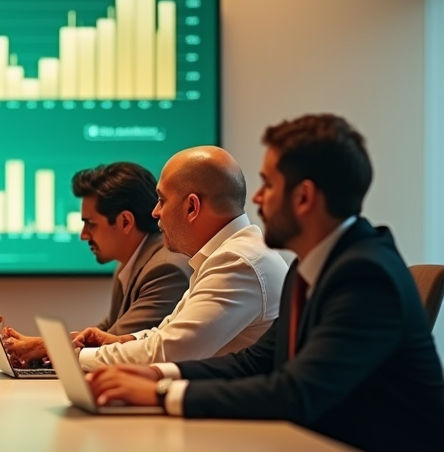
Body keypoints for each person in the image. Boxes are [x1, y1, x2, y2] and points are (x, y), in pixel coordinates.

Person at [60, 114, 444, 452]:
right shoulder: (319, 267)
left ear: (303, 197)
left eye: (267, 184)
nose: (256, 200)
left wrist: (164, 396)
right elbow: (256, 361)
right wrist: (160, 378)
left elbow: (295, 392)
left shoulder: (364, 275)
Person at [74, 146, 288, 370]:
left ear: (192, 207)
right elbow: (167, 333)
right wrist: (123, 341)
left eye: (162, 200)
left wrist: (75, 357)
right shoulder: (225, 255)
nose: (155, 212)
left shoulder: (237, 261)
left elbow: (169, 353)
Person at [0, 163, 190, 367]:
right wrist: (38, 354)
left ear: (125, 221)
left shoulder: (165, 270)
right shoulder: (129, 265)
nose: (83, 235)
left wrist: (42, 347)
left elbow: (115, 348)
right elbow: (100, 336)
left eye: (90, 224)